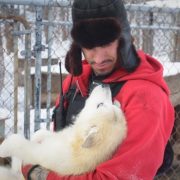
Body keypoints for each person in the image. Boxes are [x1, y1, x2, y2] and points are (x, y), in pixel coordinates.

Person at [22, 0, 175, 179]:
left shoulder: (145, 97)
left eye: (107, 43)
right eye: (90, 46)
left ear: (124, 39)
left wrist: (42, 175)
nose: (99, 58)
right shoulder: (74, 83)